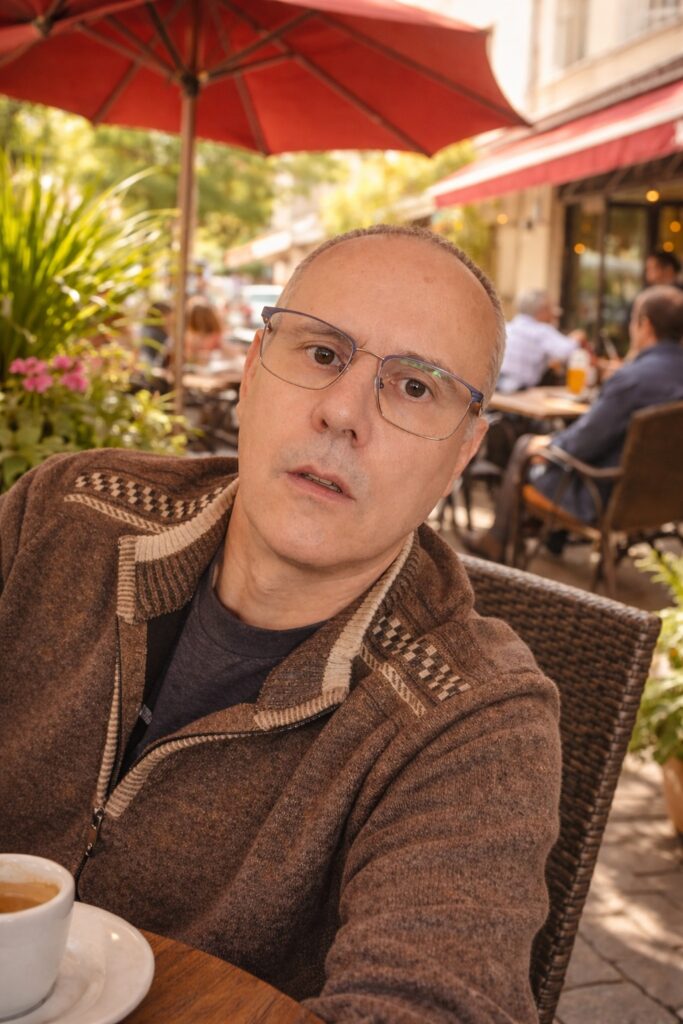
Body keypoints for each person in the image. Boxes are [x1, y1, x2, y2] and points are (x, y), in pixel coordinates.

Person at [0, 226, 561, 1023]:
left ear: (463, 453)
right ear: (251, 370)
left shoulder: (472, 714)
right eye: (322, 353)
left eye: (414, 387)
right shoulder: (65, 514)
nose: (342, 412)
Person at [465, 284, 683, 563]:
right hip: (666, 500)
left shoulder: (633, 380)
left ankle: (496, 541)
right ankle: (550, 538)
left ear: (645, 326)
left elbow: (583, 443)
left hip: (602, 498)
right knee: (544, 445)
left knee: (527, 448)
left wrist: (549, 448)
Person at [496, 289, 580, 393]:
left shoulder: (508, 327)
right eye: (552, 308)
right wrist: (577, 337)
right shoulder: (542, 331)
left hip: (496, 387)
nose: (555, 313)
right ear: (542, 310)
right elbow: (568, 351)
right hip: (517, 391)